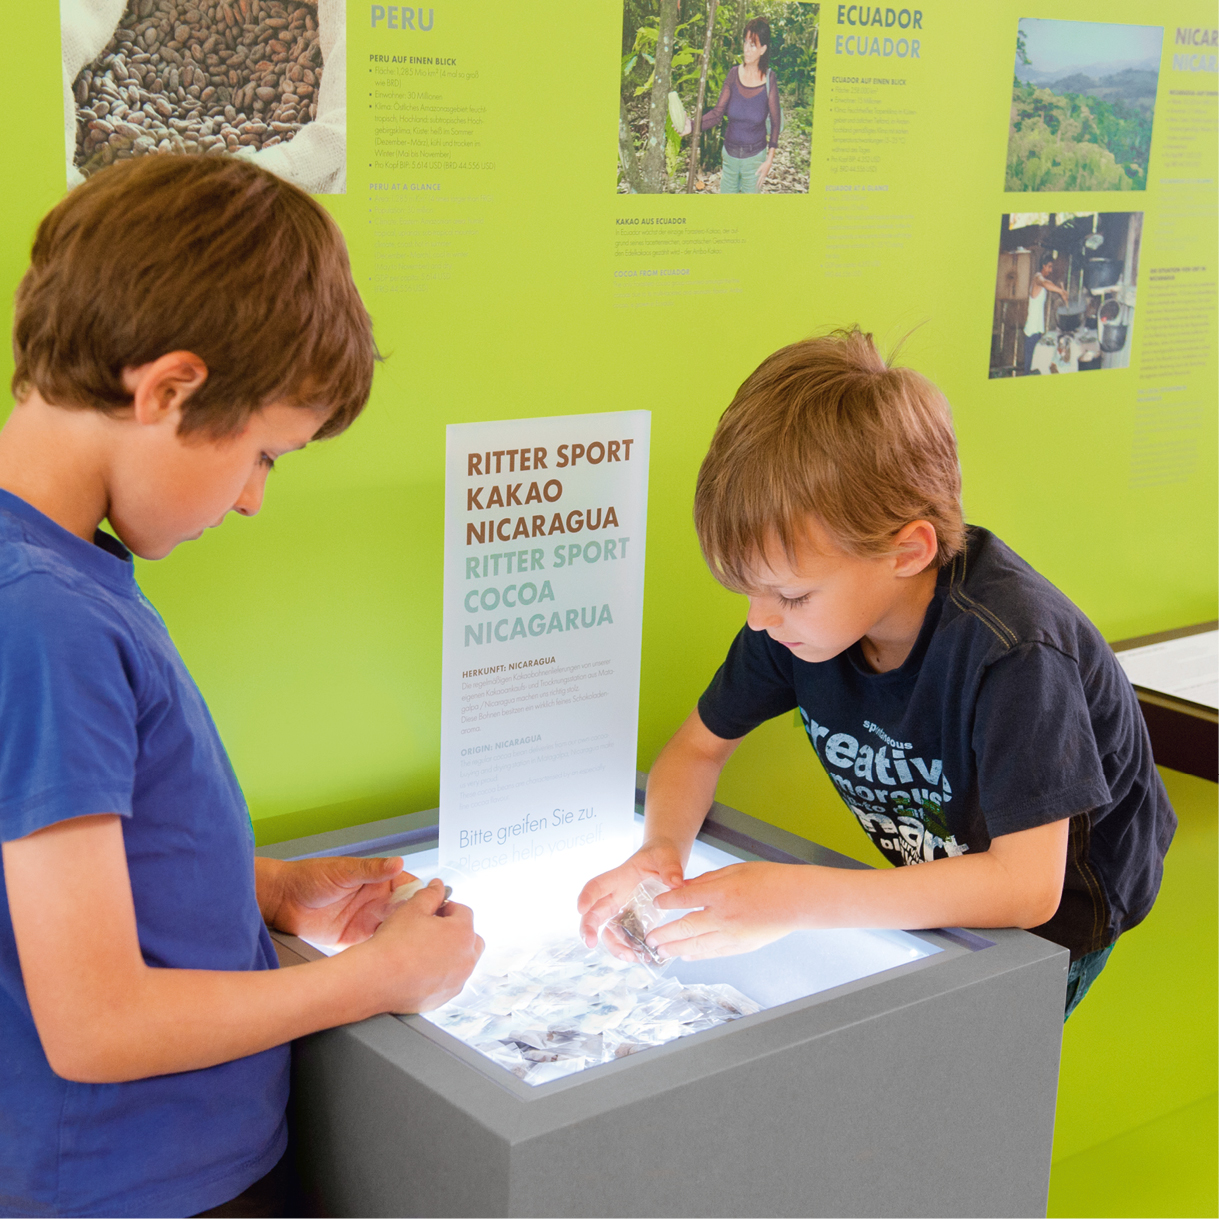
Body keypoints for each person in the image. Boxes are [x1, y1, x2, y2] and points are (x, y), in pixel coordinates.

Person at [0, 156, 484, 1219]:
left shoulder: (55, 573)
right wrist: (378, 977)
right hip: (141, 1186)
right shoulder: (42, 617)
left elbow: (65, 869)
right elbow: (95, 1024)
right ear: (169, 389)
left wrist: (265, 888)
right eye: (267, 454)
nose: (258, 499)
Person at [578, 327, 1175, 1021]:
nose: (758, 620)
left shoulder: (1015, 654)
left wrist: (793, 897)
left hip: (1057, 916)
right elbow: (696, 749)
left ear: (906, 551)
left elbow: (1025, 889)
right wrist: (659, 850)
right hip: (946, 877)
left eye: (790, 594)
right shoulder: (796, 626)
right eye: (752, 592)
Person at [683, 17, 780, 193]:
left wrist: (769, 161)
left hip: (755, 160)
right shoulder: (733, 74)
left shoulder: (769, 79)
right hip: (729, 158)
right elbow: (717, 113)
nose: (746, 50)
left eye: (753, 45)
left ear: (763, 49)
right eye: (745, 43)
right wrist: (690, 126)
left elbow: (775, 122)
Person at [1023, 253, 1068, 374]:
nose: (1051, 270)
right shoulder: (1037, 278)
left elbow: (1050, 284)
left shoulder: (1043, 280)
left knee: (1036, 367)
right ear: (1043, 265)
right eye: (1049, 266)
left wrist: (1061, 292)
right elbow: (1045, 284)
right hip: (1031, 331)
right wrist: (1061, 291)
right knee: (1029, 369)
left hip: (1037, 330)